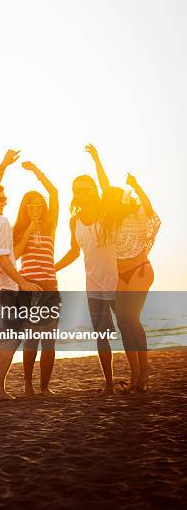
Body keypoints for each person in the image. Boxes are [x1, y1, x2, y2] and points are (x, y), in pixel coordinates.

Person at [0, 153, 60, 395]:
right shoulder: (16, 229)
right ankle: (29, 386)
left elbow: (54, 193)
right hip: (27, 286)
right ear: (25, 208)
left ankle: (44, 387)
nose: (36, 207)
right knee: (30, 339)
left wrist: (36, 170)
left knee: (49, 340)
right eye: (30, 204)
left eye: (38, 204)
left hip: (50, 286)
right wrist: (30, 228)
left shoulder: (51, 225)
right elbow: (16, 256)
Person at [55, 144, 118, 395]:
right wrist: (53, 267)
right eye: (77, 190)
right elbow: (73, 252)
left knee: (128, 328)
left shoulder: (106, 211)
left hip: (118, 282)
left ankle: (139, 377)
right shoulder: (74, 221)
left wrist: (97, 160)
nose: (82, 192)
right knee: (101, 335)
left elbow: (107, 187)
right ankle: (110, 384)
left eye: (86, 188)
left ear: (93, 190)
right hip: (94, 286)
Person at [0, 152, 41, 401]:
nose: (5, 202)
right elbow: (4, 258)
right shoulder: (0, 222)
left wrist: (2, 166)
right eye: (0, 199)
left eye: (5, 199)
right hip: (5, 287)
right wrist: (22, 281)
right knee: (13, 337)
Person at [98, 174, 160, 393]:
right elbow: (105, 188)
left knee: (131, 318)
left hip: (140, 270)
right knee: (123, 321)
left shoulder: (136, 215)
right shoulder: (110, 221)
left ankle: (144, 369)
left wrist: (136, 185)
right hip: (122, 274)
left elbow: (149, 209)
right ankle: (135, 372)